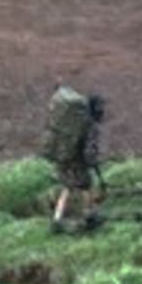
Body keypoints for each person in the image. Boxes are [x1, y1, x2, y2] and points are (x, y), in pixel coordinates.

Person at [44, 85, 108, 233]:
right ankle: (89, 216)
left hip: (64, 157)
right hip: (77, 161)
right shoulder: (90, 126)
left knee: (67, 187)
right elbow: (89, 150)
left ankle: (57, 219)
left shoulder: (75, 122)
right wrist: (93, 164)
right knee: (86, 186)